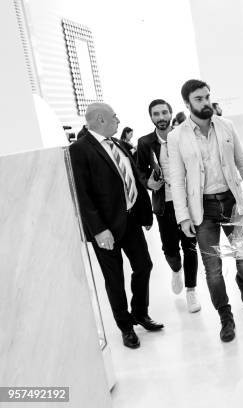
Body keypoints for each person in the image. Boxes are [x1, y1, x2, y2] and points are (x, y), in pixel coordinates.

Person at [168, 79, 243, 343]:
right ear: (187, 103)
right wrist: (183, 216)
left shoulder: (226, 125)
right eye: (199, 99)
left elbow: (242, 161)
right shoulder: (177, 137)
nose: (206, 102)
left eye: (207, 97)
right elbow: (177, 179)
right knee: (213, 269)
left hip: (233, 203)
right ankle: (225, 316)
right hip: (203, 209)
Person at [69, 103, 162, 349]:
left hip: (130, 219)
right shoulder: (79, 149)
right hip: (105, 228)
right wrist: (99, 229)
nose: (118, 121)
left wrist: (147, 193)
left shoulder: (117, 144)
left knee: (144, 266)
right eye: (114, 117)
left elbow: (130, 176)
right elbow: (82, 193)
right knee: (114, 279)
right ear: (100, 119)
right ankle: (125, 326)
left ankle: (140, 313)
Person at [136, 99, 200, 312]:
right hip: (164, 205)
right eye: (156, 114)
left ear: (171, 113)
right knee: (170, 249)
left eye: (164, 112)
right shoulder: (145, 143)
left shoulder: (184, 136)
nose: (161, 117)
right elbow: (140, 172)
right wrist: (149, 183)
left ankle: (191, 291)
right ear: (151, 117)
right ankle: (176, 269)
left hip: (188, 203)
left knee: (190, 247)